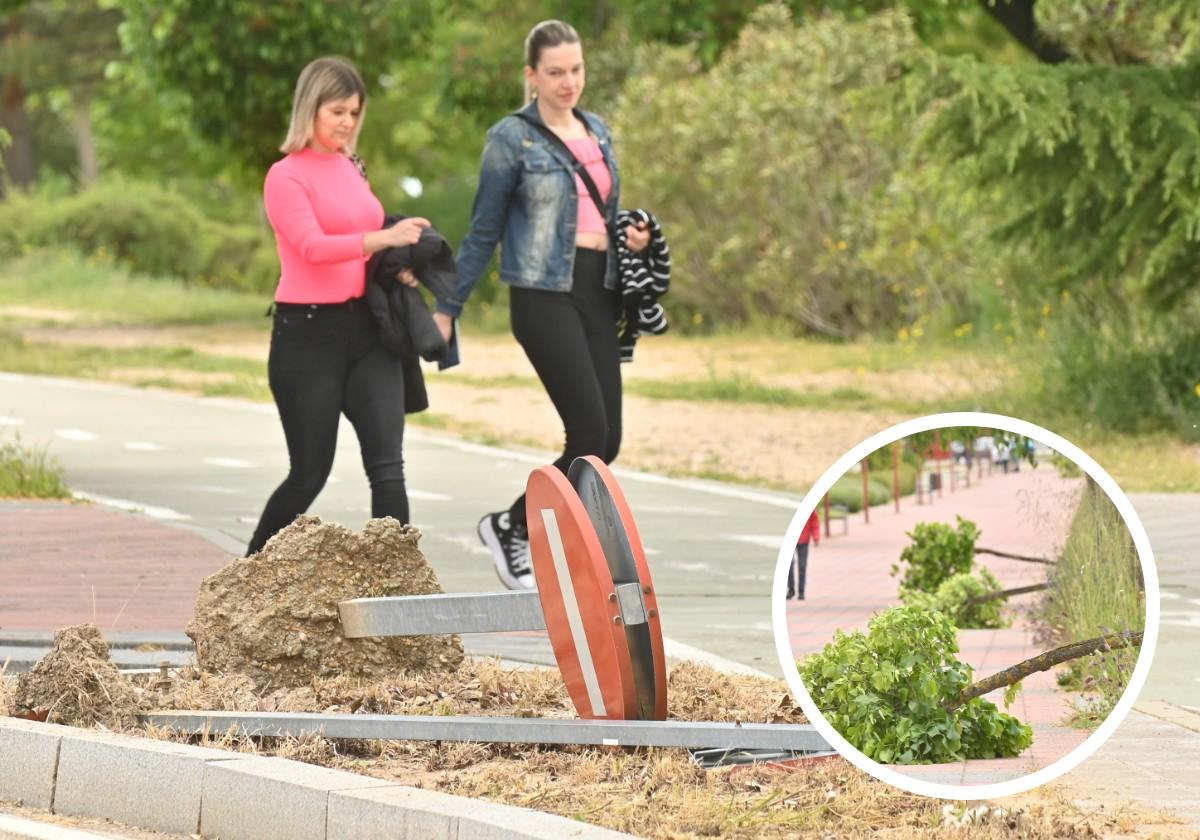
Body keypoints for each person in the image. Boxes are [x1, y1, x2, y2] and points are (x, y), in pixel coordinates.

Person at [432, 20, 650, 589]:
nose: (568, 81)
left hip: (598, 288)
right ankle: (517, 531)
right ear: (531, 75)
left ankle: (515, 523)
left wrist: (631, 238)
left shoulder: (598, 130)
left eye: (576, 70)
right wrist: (449, 305)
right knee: (587, 431)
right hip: (540, 293)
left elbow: (602, 213)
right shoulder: (511, 138)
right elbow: (484, 230)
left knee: (608, 445)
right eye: (555, 72)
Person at [245, 56, 432, 556]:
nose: (347, 122)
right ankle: (243, 581)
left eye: (354, 112)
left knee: (388, 468)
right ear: (310, 108)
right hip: (308, 335)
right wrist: (382, 237)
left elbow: (360, 241)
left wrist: (398, 259)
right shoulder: (285, 176)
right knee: (309, 473)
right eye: (337, 112)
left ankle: (395, 599)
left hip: (367, 330)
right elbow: (312, 247)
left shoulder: (351, 165)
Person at [787, 509, 821, 600]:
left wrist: (816, 537)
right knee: (789, 564)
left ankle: (801, 591)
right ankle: (791, 588)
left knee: (802, 566)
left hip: (803, 540)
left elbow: (814, 522)